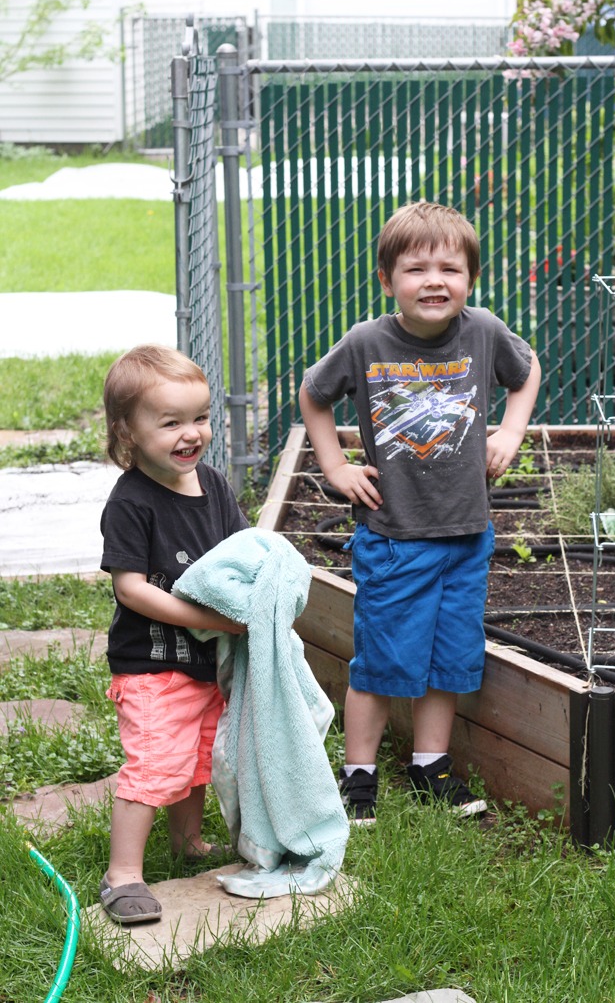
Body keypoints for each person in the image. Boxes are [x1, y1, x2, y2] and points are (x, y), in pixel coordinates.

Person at [299, 201, 541, 824]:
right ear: (388, 280)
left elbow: (527, 368)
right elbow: (313, 394)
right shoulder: (367, 343)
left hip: (468, 538)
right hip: (395, 537)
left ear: (470, 279)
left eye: (451, 269)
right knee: (381, 664)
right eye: (416, 269)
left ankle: (430, 767)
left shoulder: (484, 331)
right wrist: (336, 469)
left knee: (448, 660)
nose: (435, 280)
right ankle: (358, 778)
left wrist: (511, 432)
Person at [98, 344, 249, 925]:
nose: (192, 434)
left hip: (206, 662)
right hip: (153, 665)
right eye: (171, 423)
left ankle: (187, 844)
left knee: (198, 758)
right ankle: (124, 875)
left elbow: (241, 552)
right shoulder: (132, 502)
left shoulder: (211, 482)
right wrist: (212, 619)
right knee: (157, 762)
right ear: (128, 432)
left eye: (201, 417)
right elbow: (131, 589)